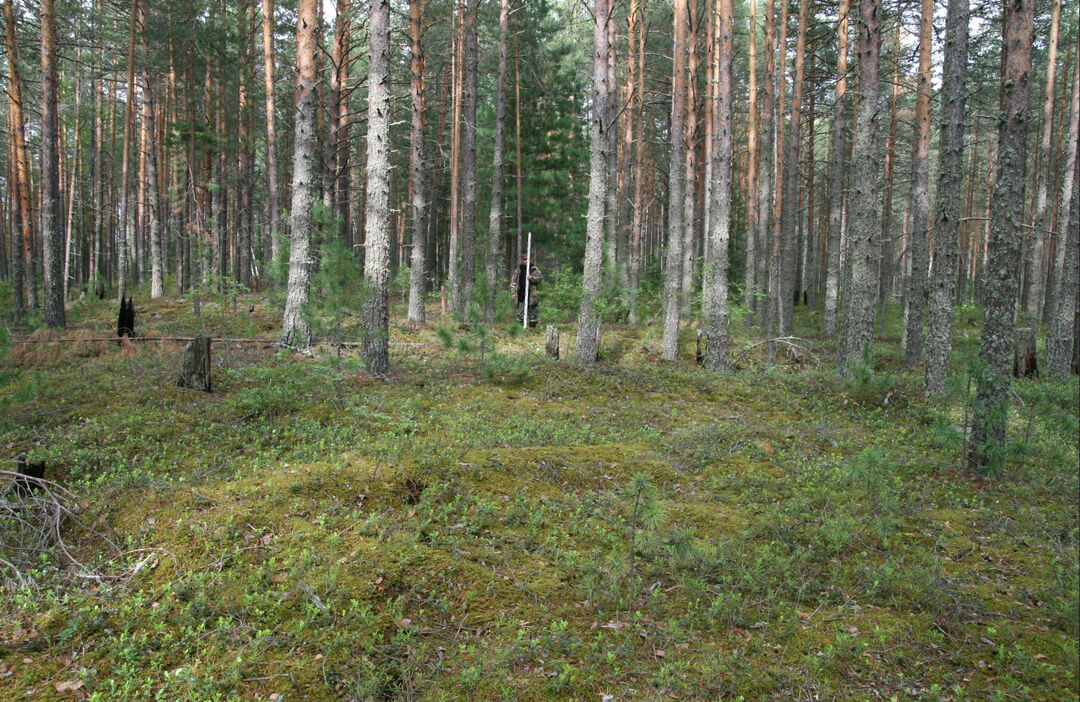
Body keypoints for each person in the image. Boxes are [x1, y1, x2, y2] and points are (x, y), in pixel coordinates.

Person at [510, 252, 542, 327]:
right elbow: (513, 282)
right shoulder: (518, 270)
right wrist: (513, 293)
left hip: (532, 295)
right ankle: (520, 330)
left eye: (527, 259)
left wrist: (531, 278)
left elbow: (539, 279)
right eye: (524, 259)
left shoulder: (534, 269)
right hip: (521, 294)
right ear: (522, 260)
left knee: (533, 314)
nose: (526, 260)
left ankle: (532, 330)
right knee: (520, 314)